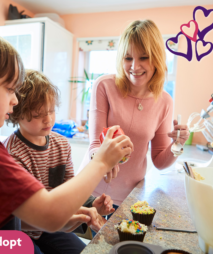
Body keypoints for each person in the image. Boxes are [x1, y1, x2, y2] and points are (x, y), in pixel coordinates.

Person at [0, 18, 133, 253]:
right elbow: (48, 214)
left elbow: (1, 219)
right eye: (8, 89)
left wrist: (67, 218)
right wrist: (102, 161)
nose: (14, 100)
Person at [78, 20, 189, 209]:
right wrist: (104, 159)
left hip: (130, 199)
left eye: (143, 57)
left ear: (157, 58)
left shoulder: (164, 101)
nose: (134, 67)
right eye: (128, 58)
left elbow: (160, 161)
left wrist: (178, 144)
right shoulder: (104, 86)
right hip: (91, 193)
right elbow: (96, 144)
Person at [4, 69, 115, 253]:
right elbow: (21, 215)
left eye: (51, 111)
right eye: (38, 115)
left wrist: (90, 204)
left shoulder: (61, 144)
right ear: (17, 113)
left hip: (53, 226)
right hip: (21, 230)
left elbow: (70, 187)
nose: (48, 119)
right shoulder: (12, 154)